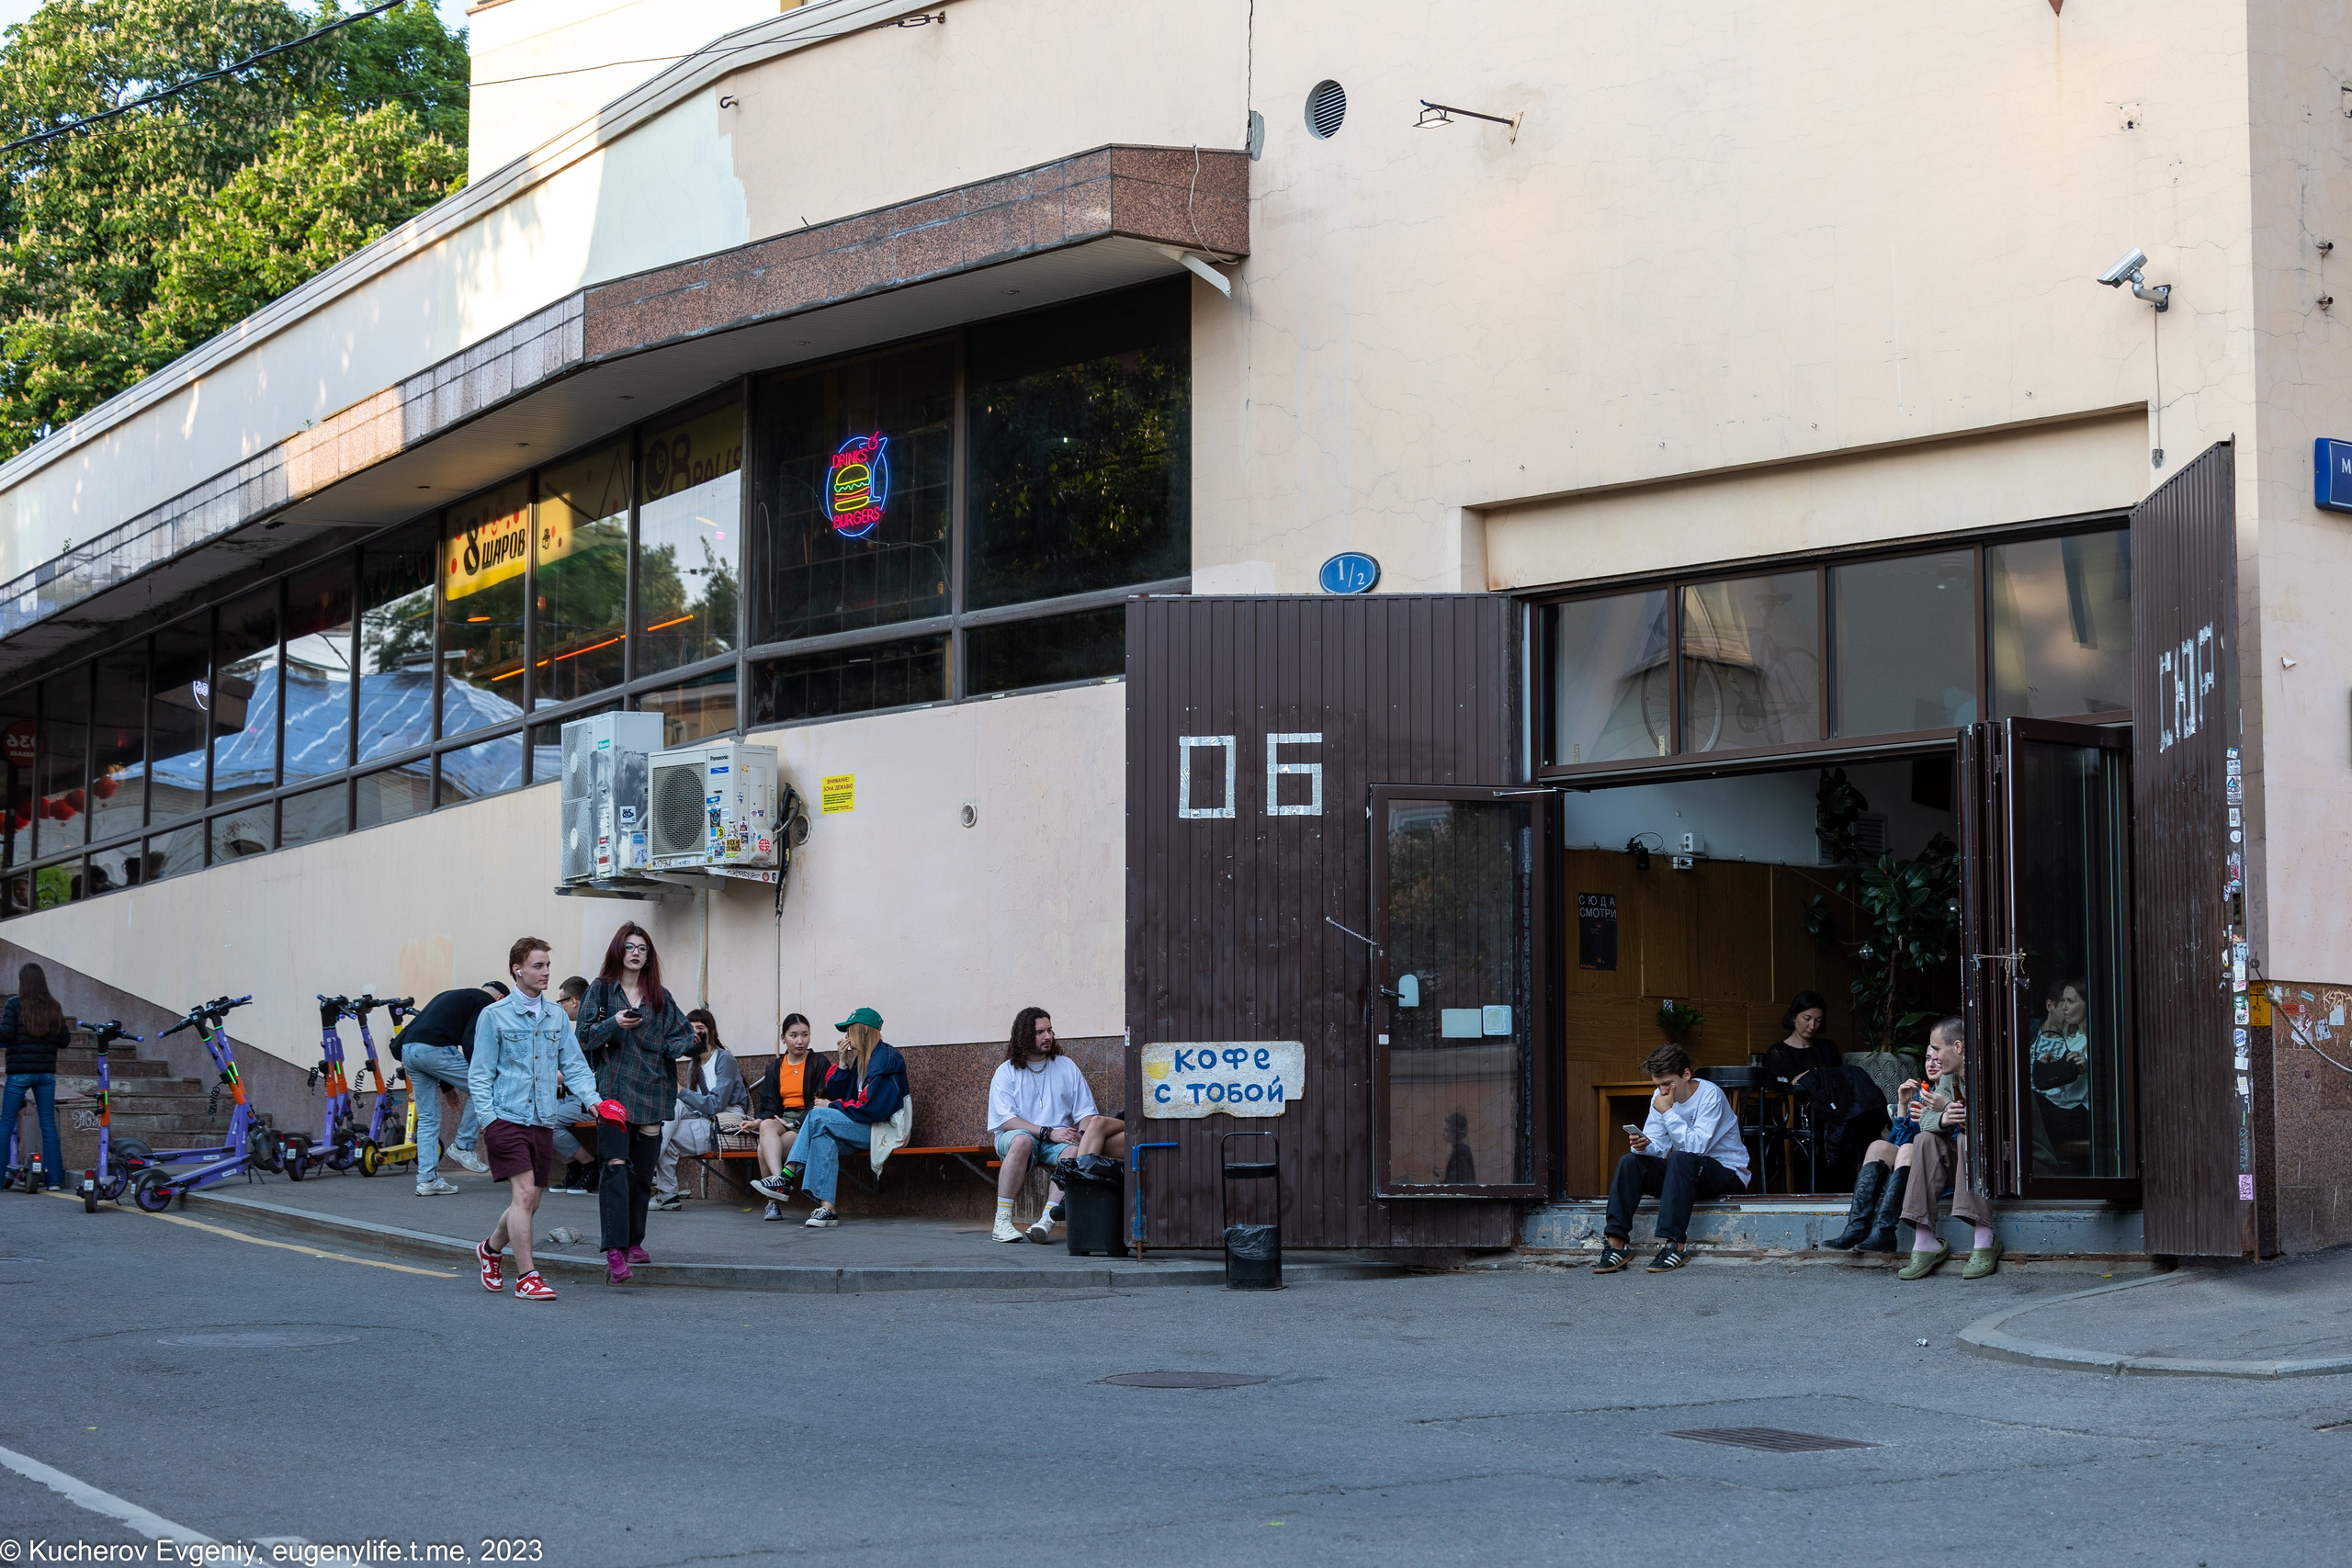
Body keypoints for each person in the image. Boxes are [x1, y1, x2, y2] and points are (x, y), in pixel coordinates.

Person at [467, 937, 600, 1303]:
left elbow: (574, 1066)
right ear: (518, 970)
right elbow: (480, 1074)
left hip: (543, 1119)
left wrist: (593, 1101)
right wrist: (489, 1119)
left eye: (547, 966)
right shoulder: (494, 1016)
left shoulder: (556, 1016)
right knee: (524, 1194)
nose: (546, 973)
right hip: (506, 1117)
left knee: (530, 1201)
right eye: (538, 966)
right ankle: (527, 1277)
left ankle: (490, 1250)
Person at [574, 922, 695, 1283]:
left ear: (649, 956)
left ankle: (633, 1242)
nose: (636, 953)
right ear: (618, 950)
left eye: (642, 948)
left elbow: (683, 1036)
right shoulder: (600, 990)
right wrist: (613, 1023)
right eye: (629, 946)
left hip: (654, 1089)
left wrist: (679, 1046)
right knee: (614, 1168)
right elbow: (583, 1038)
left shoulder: (660, 996)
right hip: (613, 1090)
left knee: (642, 1174)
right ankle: (614, 1251)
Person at [1592, 1043, 1750, 1274]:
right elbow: (1659, 1146)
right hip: (1684, 1177)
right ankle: (1616, 1243)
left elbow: (1696, 1148)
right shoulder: (1660, 1097)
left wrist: (1668, 1112)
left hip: (1726, 1173)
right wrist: (1644, 1146)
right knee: (1630, 1161)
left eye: (1667, 1084)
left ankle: (1675, 1245)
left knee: (1680, 1158)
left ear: (1686, 1074)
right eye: (1657, 1085)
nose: (1663, 1091)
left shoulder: (1710, 1095)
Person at [749, 1007, 907, 1229]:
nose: (846, 1037)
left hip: (882, 1130)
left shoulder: (885, 1060)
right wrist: (842, 1063)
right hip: (863, 1126)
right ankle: (828, 1209)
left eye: (849, 1031)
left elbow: (874, 1110)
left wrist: (831, 1106)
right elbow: (841, 1094)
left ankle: (786, 1177)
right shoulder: (862, 1060)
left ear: (863, 1031)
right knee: (822, 1137)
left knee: (817, 1116)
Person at [986, 1006, 1108, 1243]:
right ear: (1024, 1036)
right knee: (1022, 1141)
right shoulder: (1006, 1072)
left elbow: (1086, 1112)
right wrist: (1047, 1132)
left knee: (1073, 1152)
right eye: (1040, 1032)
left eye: (1050, 1030)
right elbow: (1007, 1121)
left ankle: (1046, 1221)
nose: (1048, 1036)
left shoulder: (1066, 1066)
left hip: (1057, 1140)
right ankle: (1002, 1221)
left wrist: (1081, 1135)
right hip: (1017, 1136)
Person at [1894, 1017, 2001, 1279]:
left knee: (1966, 1137)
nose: (1935, 1058)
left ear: (1959, 1047)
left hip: (2008, 1163)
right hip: (1967, 1164)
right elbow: (1926, 1122)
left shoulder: (1989, 1070)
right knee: (1924, 1139)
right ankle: (1924, 1241)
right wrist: (1944, 1116)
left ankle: (1984, 1238)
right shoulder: (1949, 1076)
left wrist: (1947, 1108)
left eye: (1937, 1049)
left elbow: (1993, 1124)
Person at [390, 980, 506, 1195]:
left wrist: (447, 1087)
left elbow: (403, 1041)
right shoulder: (486, 1003)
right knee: (485, 1088)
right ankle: (463, 1146)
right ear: (499, 999)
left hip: (409, 1052)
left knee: (428, 1118)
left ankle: (427, 1180)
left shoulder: (448, 996)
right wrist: (479, 1073)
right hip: (435, 1051)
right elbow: (471, 1040)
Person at [1760, 990, 1883, 1192]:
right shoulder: (1778, 1053)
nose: (1812, 1026)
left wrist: (1813, 1076)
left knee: (1856, 1091)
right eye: (1807, 1018)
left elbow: (1840, 1085)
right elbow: (1779, 1093)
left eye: (1818, 1021)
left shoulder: (1827, 1048)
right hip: (1801, 1115)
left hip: (1835, 1112)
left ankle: (1868, 1169)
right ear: (1794, 1016)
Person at [650, 1008, 747, 1210]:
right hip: (703, 1122)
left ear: (712, 1031)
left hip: (724, 1125)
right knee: (667, 1121)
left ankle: (648, 1172)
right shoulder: (693, 1064)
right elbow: (691, 1104)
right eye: (690, 1028)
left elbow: (716, 1105)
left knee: (669, 1120)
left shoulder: (724, 1059)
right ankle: (666, 1194)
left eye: (700, 1027)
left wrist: (680, 1092)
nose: (694, 1032)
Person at [0, 963, 72, 1192]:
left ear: (23, 982)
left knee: (5, 1123)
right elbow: (65, 1040)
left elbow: (5, 1034)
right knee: (48, 1125)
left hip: (19, 1073)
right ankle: (54, 1181)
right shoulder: (53, 1006)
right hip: (46, 1075)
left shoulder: (14, 1004)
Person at [748, 1013, 825, 1220]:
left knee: (762, 1149)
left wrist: (796, 1122)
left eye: (805, 1035)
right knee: (765, 1126)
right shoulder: (776, 1067)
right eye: (793, 1035)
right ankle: (779, 1180)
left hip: (807, 1120)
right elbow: (768, 1104)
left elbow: (820, 1100)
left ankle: (773, 1203)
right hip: (783, 1118)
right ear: (783, 1038)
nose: (800, 1041)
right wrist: (756, 1121)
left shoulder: (818, 1062)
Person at [2030, 977, 2093, 1169]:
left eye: (2070, 1001)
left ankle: (2043, 1165)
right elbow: (2062, 1084)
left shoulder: (2098, 1038)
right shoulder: (2072, 1037)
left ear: (2088, 1004)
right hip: (2060, 1109)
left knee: (2026, 1097)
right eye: (2063, 1001)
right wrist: (2052, 1067)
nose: (2064, 1007)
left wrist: (2091, 1067)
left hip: (2080, 1115)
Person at [549, 977, 597, 1193]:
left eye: (562, 1002)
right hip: (570, 1097)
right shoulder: (578, 1029)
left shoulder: (591, 1029)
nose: (561, 1007)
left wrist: (562, 1077)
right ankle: (575, 1166)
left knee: (549, 1121)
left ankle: (589, 1164)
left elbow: (590, 1072)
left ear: (574, 1001)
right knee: (533, 1121)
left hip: (589, 1099)